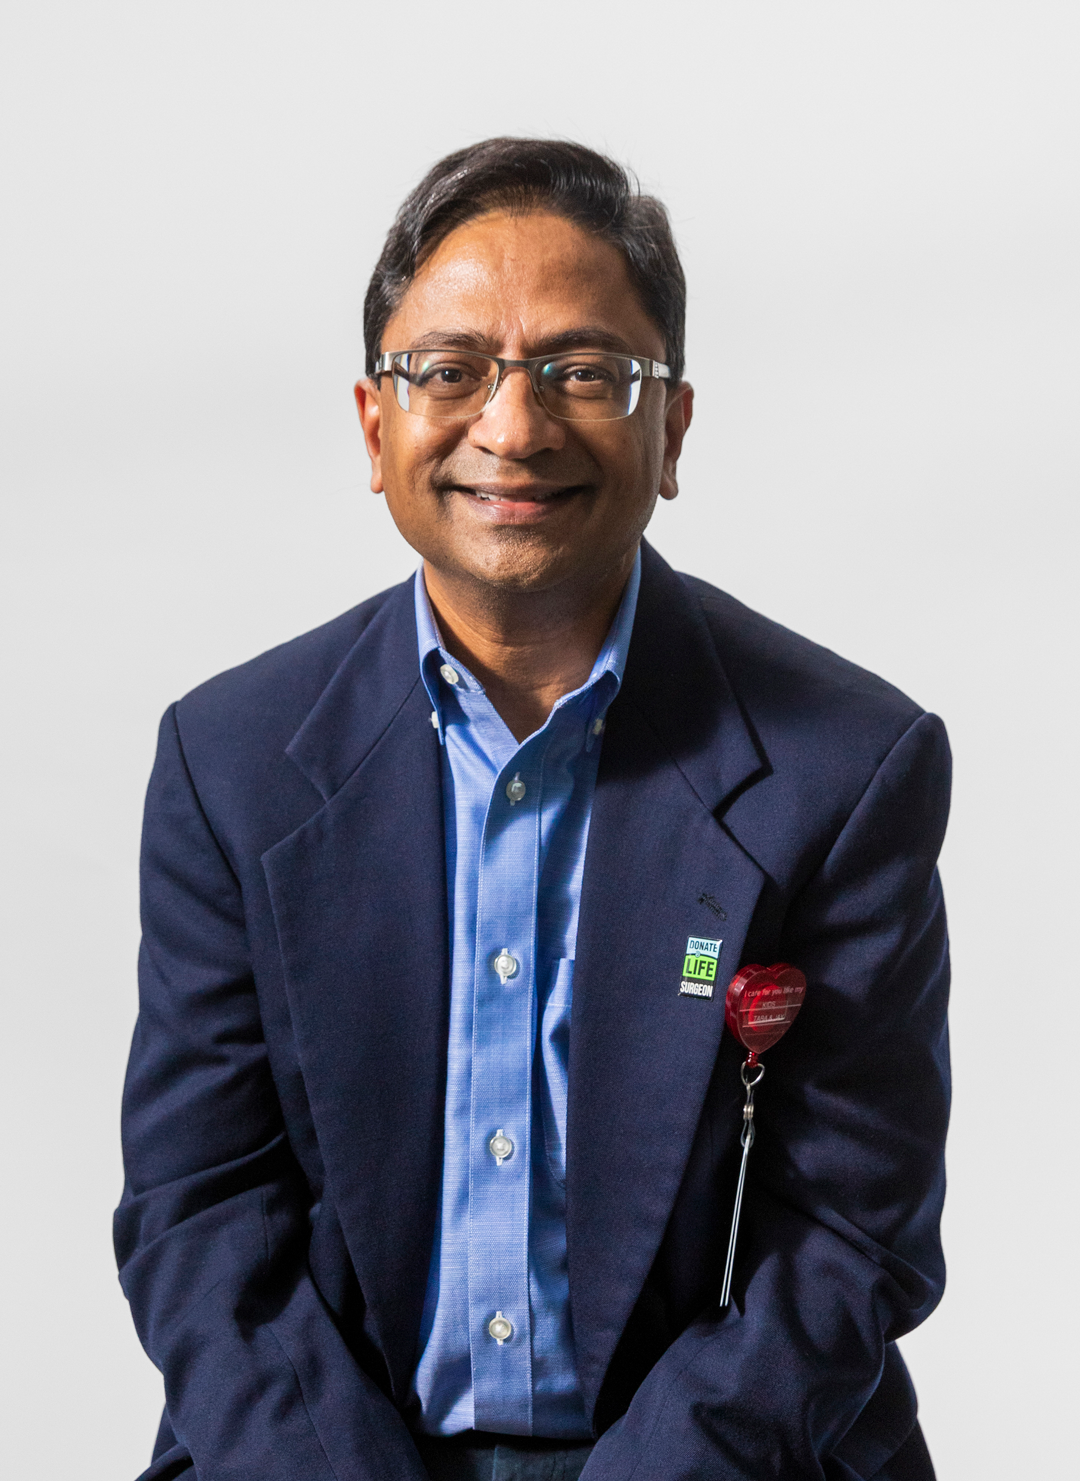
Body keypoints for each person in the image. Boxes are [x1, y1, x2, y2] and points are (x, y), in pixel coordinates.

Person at [115, 138, 951, 1481]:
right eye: (449, 372)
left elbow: (853, 1235)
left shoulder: (845, 765)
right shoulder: (234, 760)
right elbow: (201, 1213)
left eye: (583, 371)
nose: (513, 427)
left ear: (669, 427)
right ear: (374, 424)